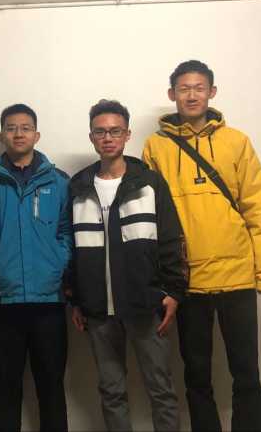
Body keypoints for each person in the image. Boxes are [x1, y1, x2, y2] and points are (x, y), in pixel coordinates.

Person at [143, 60, 261, 431]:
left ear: (212, 92)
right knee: (196, 376)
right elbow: (151, 220)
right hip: (189, 281)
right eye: (184, 88)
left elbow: (258, 208)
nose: (191, 95)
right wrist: (162, 281)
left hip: (238, 276)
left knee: (246, 373)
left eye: (199, 87)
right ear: (172, 94)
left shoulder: (236, 141)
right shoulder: (156, 147)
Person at [70, 99, 186, 432]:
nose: (108, 138)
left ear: (127, 135)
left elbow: (171, 238)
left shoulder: (149, 183)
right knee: (112, 392)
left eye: (115, 131)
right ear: (91, 137)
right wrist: (74, 298)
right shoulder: (78, 187)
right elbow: (70, 247)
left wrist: (174, 291)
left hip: (145, 305)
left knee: (161, 390)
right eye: (100, 132)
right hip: (97, 311)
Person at [0, 104, 73, 432]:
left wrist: (57, 264)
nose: (18, 134)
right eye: (11, 128)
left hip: (49, 302)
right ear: (2, 135)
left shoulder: (59, 181)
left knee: (52, 390)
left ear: (36, 135)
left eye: (25, 128)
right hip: (4, 301)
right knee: (5, 393)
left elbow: (67, 231)